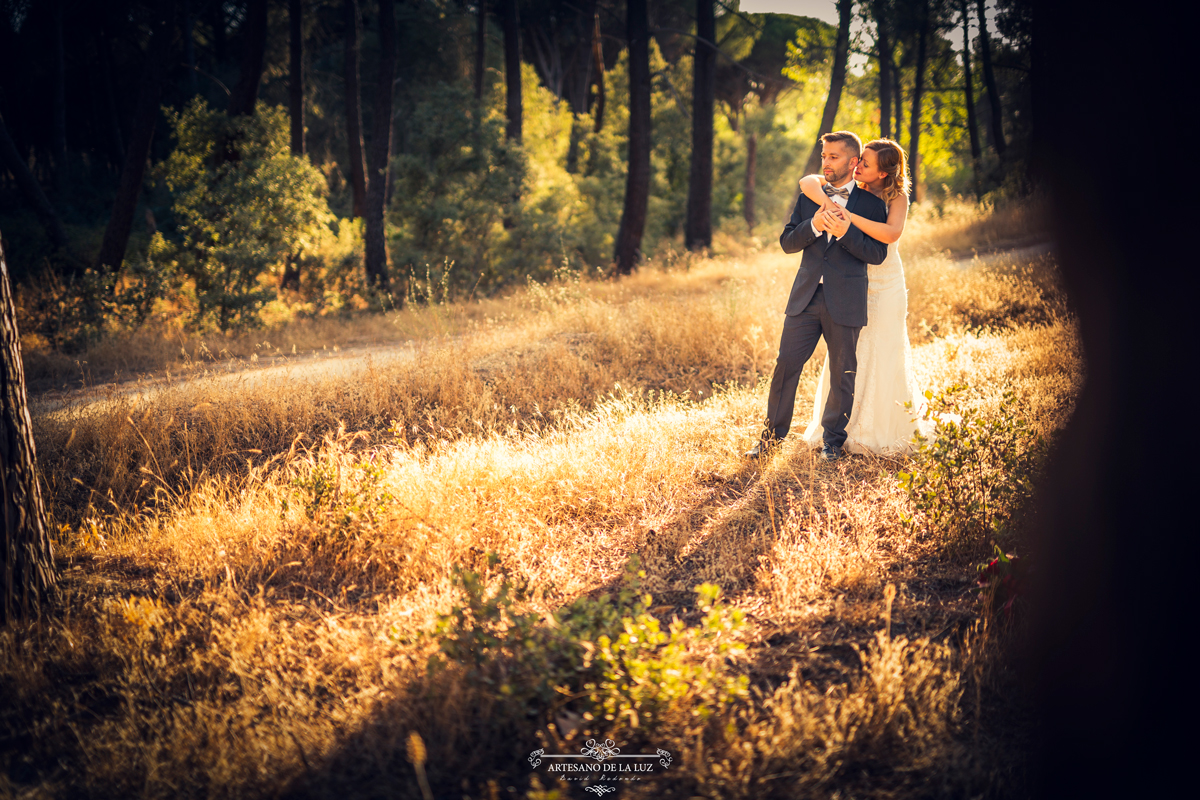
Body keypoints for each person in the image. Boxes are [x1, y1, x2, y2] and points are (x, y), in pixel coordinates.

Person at [746, 131, 889, 461]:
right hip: (805, 298)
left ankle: (833, 443)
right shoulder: (810, 197)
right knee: (785, 367)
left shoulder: (871, 205)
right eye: (824, 156)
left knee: (843, 373)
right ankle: (770, 439)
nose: (826, 162)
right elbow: (786, 242)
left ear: (853, 162)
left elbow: (877, 254)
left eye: (834, 156)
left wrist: (844, 232)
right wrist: (812, 225)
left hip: (846, 300)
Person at [794, 138, 926, 455]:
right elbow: (808, 181)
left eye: (865, 163)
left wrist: (848, 217)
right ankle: (839, 427)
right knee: (847, 350)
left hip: (887, 283)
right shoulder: (852, 188)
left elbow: (891, 234)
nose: (857, 166)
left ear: (882, 174)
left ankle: (879, 428)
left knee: (883, 349)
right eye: (859, 160)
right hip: (853, 281)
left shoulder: (898, 198)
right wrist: (833, 205)